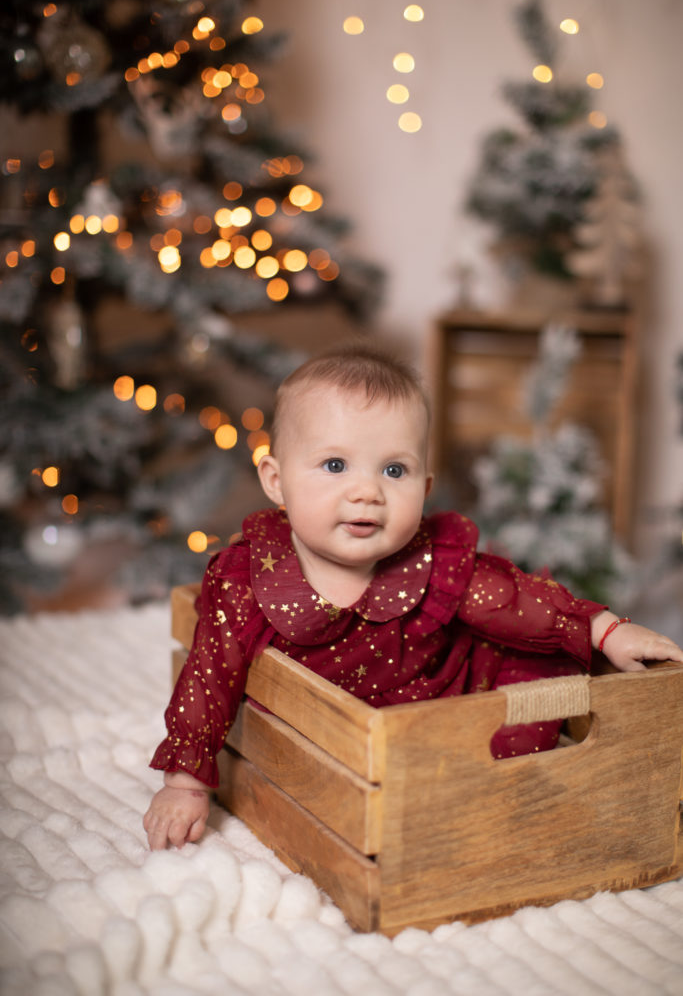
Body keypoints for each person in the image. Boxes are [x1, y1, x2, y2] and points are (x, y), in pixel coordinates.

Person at [144, 345, 683, 851]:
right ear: (276, 481)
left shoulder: (430, 560)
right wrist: (186, 784)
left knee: (526, 683)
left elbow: (511, 598)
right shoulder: (249, 581)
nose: (366, 491)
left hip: (452, 696)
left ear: (423, 490)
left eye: (393, 470)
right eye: (335, 465)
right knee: (385, 784)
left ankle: (502, 806)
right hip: (345, 741)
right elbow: (209, 676)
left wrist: (606, 628)